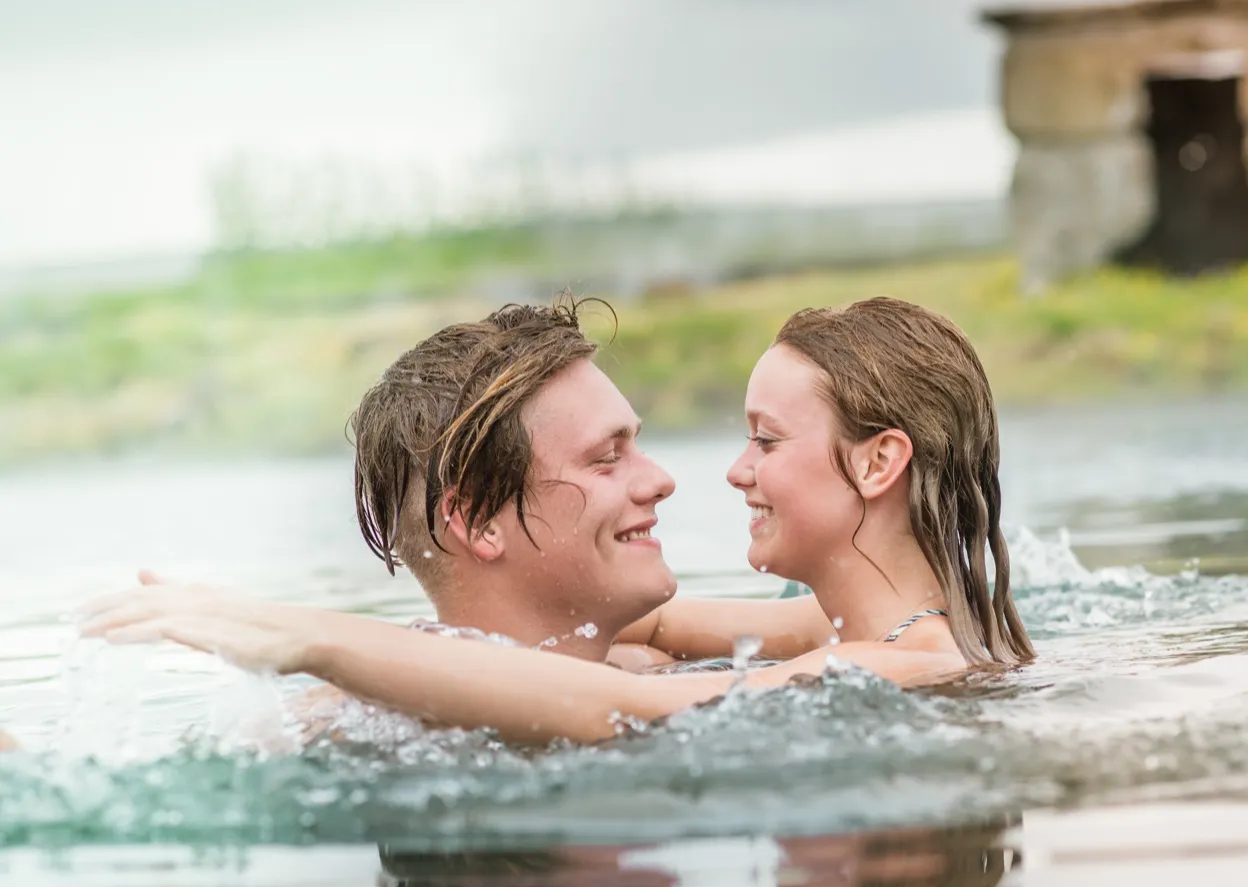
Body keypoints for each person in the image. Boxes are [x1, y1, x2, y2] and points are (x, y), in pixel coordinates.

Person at [84, 297, 1036, 745]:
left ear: (882, 461)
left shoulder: (891, 657)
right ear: (475, 522)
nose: (677, 480)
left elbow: (611, 708)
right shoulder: (331, 726)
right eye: (608, 455)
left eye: (765, 440)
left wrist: (302, 632)